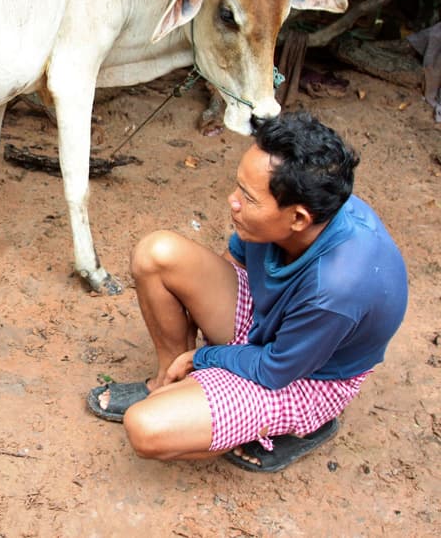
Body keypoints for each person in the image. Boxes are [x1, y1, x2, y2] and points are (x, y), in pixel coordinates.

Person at [87, 111, 407, 472]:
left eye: (249, 198)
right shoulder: (301, 206)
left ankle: (304, 424)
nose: (232, 201)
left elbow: (275, 368)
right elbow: (235, 262)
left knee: (146, 429)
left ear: (298, 219)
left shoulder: (335, 289)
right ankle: (168, 382)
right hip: (267, 322)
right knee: (155, 254)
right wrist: (208, 317)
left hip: (306, 375)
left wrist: (204, 359)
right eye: (238, 186)